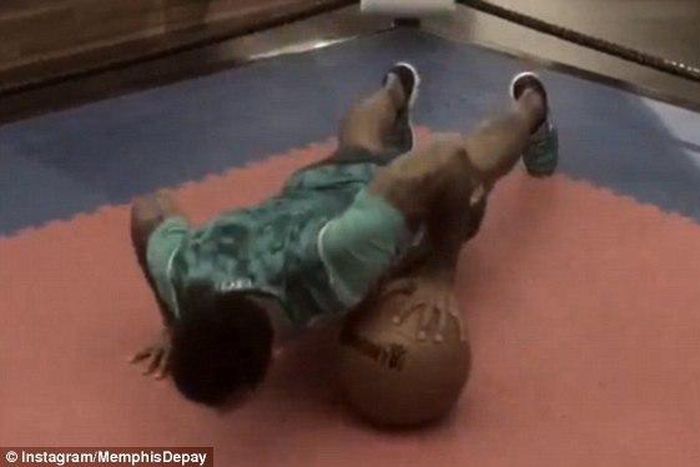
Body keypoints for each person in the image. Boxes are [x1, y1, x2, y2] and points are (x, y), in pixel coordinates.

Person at [129, 63, 558, 409]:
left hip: (372, 209)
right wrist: (173, 326)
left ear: (273, 359)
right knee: (360, 148)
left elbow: (447, 156)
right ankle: (395, 88)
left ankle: (532, 108)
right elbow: (149, 210)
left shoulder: (338, 258)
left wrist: (439, 271)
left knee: (475, 166)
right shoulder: (183, 274)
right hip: (311, 190)